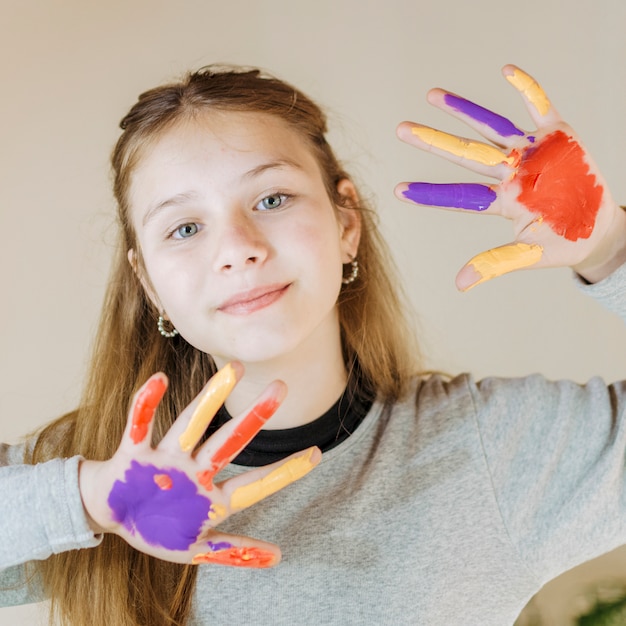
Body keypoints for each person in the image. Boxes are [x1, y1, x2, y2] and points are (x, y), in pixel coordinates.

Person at [1, 63, 626, 626]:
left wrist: (611, 249)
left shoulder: (490, 448)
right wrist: (84, 500)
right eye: (186, 227)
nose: (238, 246)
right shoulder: (88, 471)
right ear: (149, 284)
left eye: (272, 198)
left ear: (346, 223)